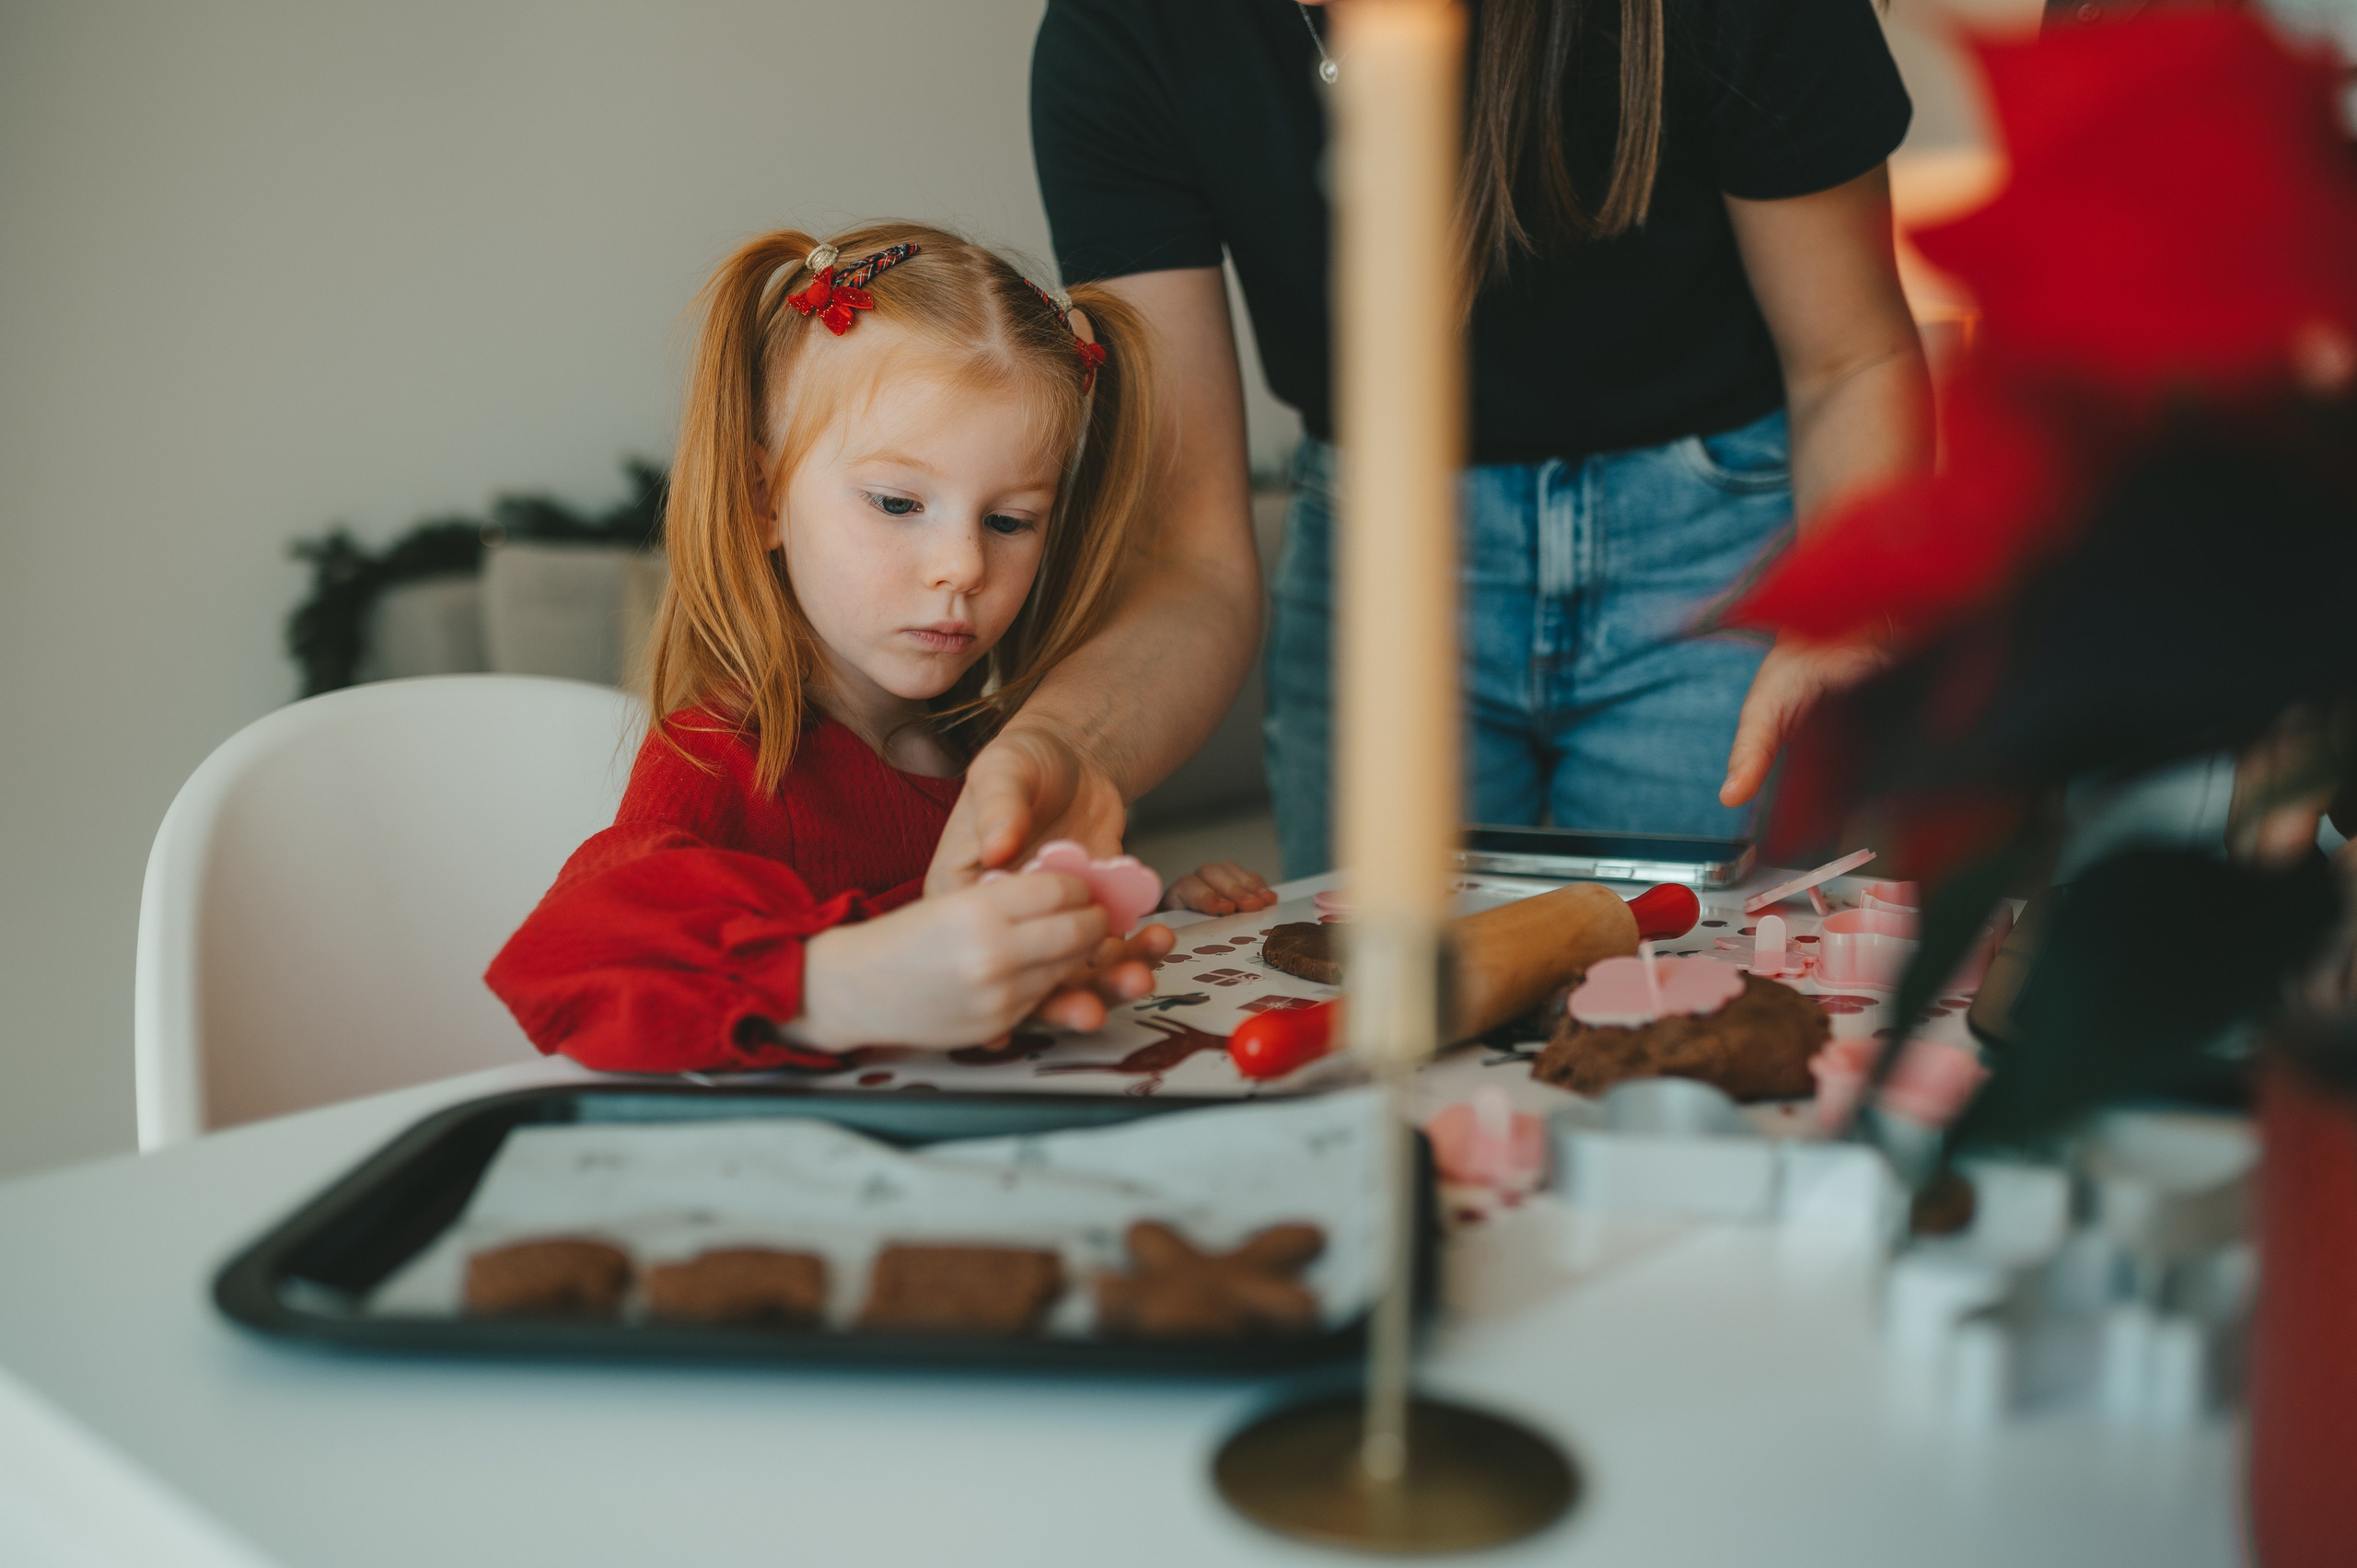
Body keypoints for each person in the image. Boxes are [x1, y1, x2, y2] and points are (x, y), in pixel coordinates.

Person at [923, 0, 1933, 888]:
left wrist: (1852, 609)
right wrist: (1064, 745)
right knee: (1375, 1010)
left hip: (1721, 555)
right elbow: (1183, 548)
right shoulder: (1122, 31)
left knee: (1713, 1006)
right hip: (1378, 554)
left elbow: (1852, 359)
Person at [487, 223, 1274, 1074]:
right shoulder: (727, 755)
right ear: (763, 500)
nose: (963, 565)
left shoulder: (996, 748)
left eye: (1010, 520)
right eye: (899, 504)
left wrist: (1137, 911)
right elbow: (561, 960)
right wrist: (834, 984)